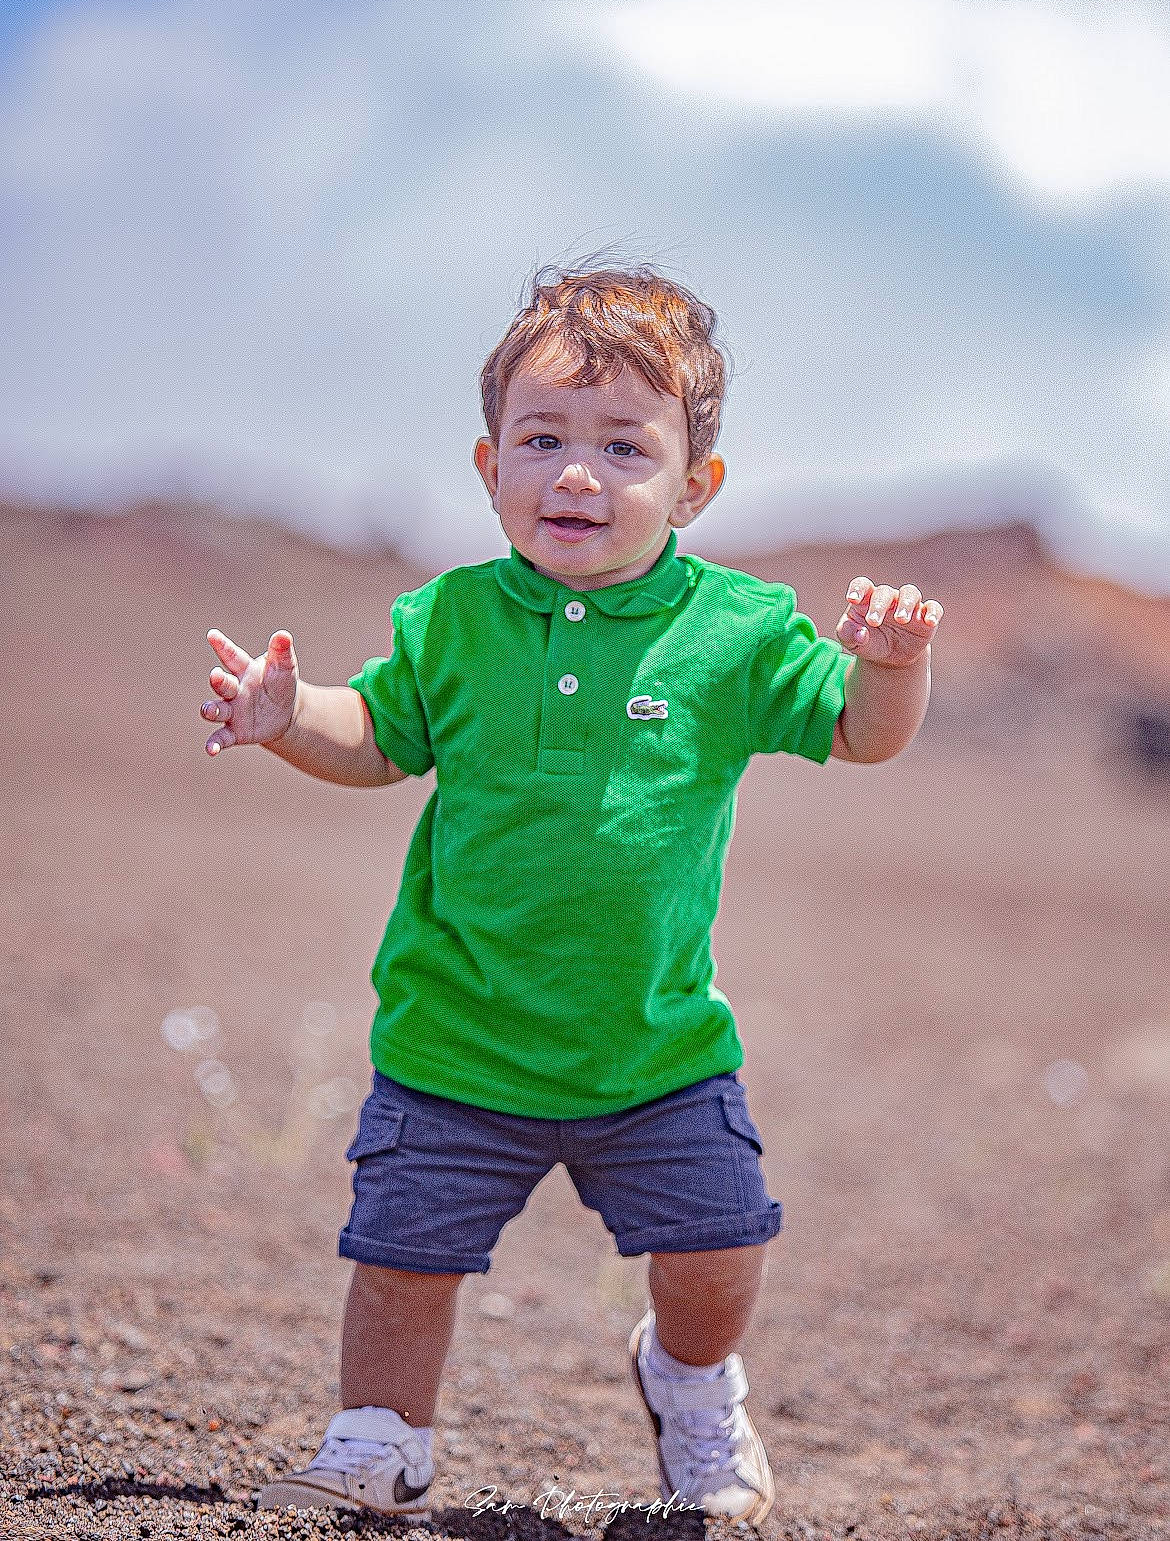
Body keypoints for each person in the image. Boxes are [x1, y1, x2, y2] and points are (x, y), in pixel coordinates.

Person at [199, 263, 943, 1522]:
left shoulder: (739, 631)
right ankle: (382, 1434)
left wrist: (894, 666)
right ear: (490, 465)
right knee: (400, 1256)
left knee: (720, 1247)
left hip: (654, 1048)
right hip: (458, 1033)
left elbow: (864, 735)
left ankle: (692, 1386)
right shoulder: (450, 619)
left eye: (623, 446)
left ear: (693, 486)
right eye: (541, 440)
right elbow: (375, 736)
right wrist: (287, 718)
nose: (576, 474)